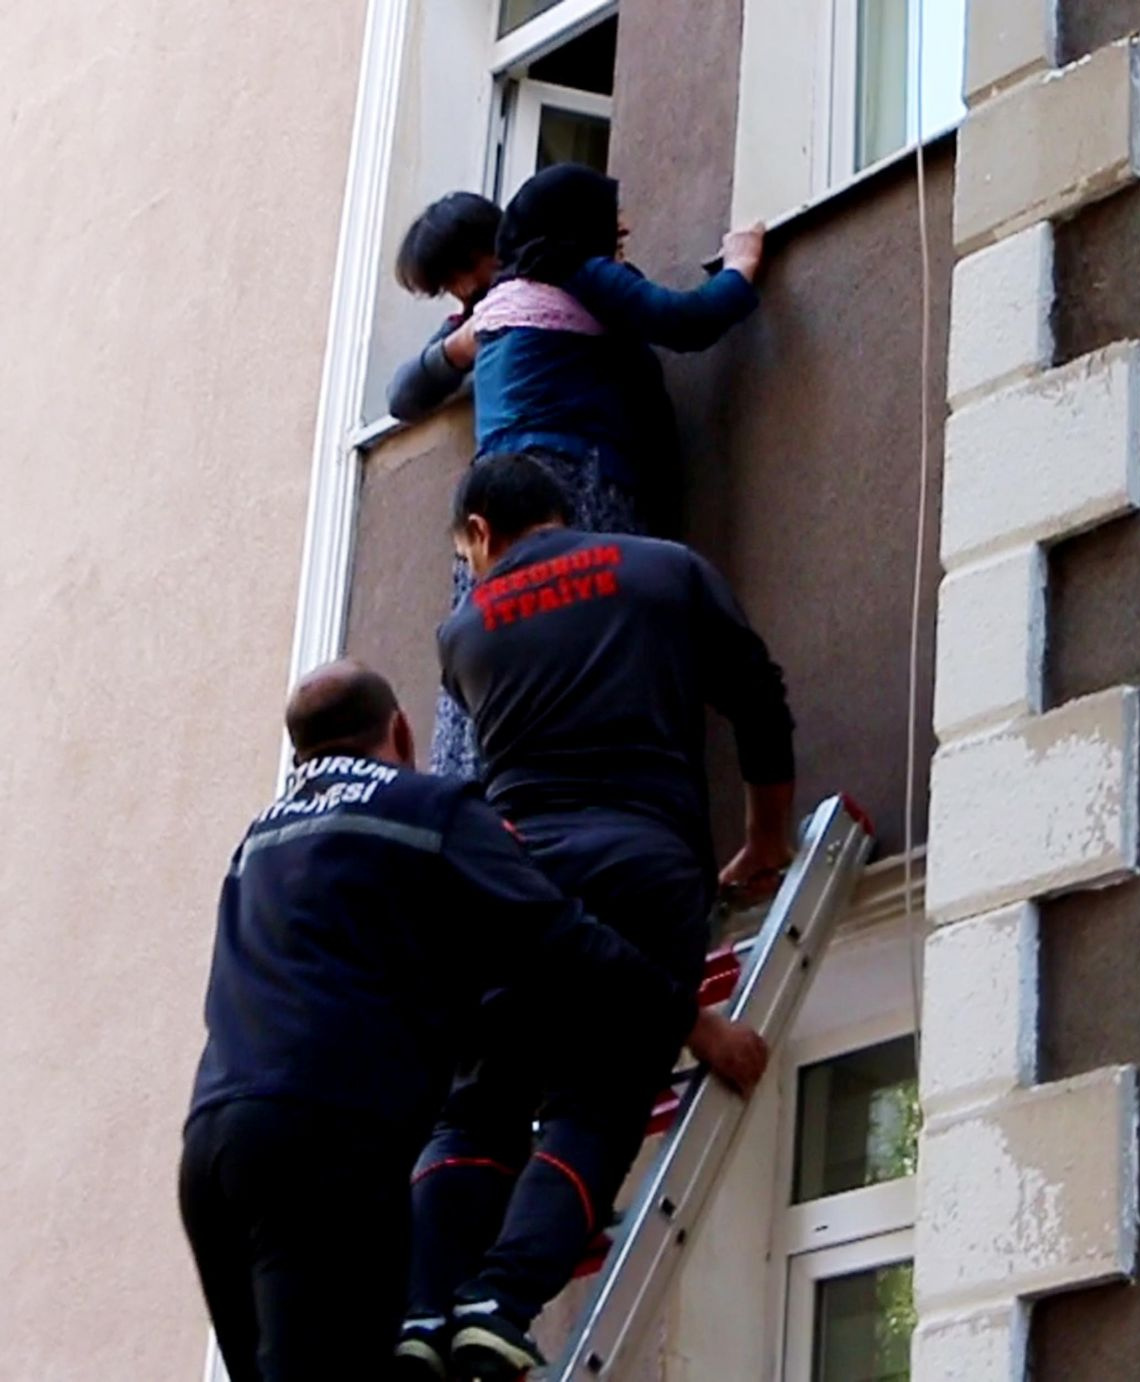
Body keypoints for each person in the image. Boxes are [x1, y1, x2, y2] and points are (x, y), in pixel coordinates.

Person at [178, 659, 766, 1382]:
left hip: (212, 1154)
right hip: (324, 1143)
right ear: (399, 728)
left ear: (300, 754)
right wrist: (693, 1022)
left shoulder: (257, 841)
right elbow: (558, 932)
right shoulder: (426, 810)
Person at [398, 456, 795, 1378]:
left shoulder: (462, 634)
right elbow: (757, 696)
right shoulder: (665, 569)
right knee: (602, 1101)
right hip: (645, 869)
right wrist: (766, 835)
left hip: (512, 886)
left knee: (480, 1111)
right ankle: (500, 1302)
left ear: (482, 535)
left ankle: (420, 1317)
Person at [426, 163, 767, 781]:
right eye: (609, 220)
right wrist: (741, 266)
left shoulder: (502, 299)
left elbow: (410, 389)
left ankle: (476, 797)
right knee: (591, 638)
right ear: (579, 226)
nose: (624, 229)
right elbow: (684, 322)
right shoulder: (576, 272)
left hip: (489, 501)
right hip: (568, 479)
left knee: (497, 653)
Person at [386, 191, 502, 423]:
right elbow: (400, 398)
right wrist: (459, 347)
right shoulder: (465, 323)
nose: (467, 288)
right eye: (450, 283)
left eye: (469, 267)